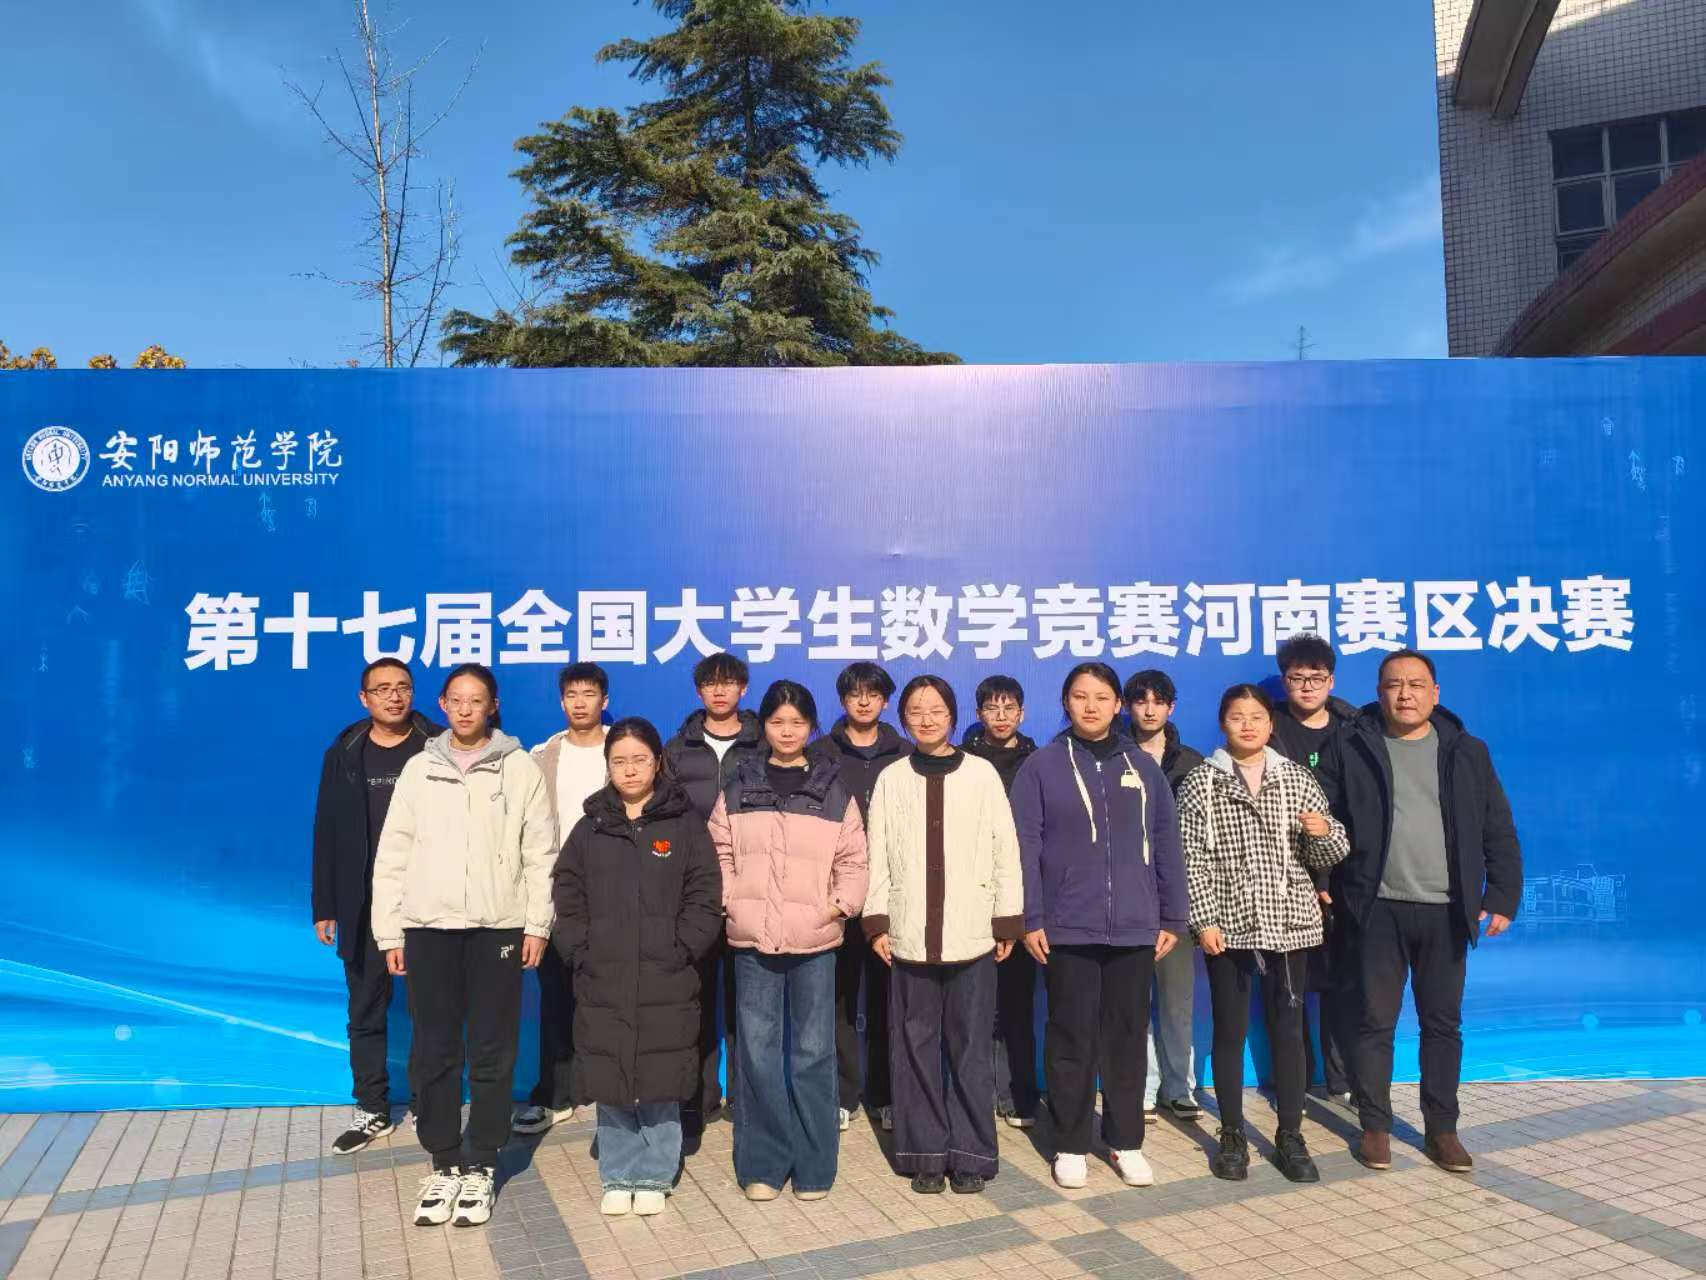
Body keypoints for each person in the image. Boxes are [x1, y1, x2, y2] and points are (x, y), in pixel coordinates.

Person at [1317, 650, 1522, 1175]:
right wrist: (1323, 882)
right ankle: (1375, 1127)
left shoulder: (1466, 751)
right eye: (1393, 685)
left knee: (1442, 1025)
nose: (1404, 694)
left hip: (1446, 911)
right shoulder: (1351, 744)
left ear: (1435, 693)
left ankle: (1442, 1129)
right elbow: (1323, 821)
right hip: (1375, 908)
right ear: (1379, 692)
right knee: (1373, 1022)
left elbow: (1497, 825)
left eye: (1415, 684)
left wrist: (1501, 895)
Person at [370, 663, 556, 1228]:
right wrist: (390, 931)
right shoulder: (419, 769)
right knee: (434, 1048)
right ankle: (444, 1160)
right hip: (429, 929)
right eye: (457, 700)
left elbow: (540, 853)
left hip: (497, 928)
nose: (466, 709)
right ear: (443, 705)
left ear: (492, 706)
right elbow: (393, 853)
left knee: (493, 1049)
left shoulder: (519, 768)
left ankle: (482, 1162)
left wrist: (536, 925)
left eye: (477, 700)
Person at [1011, 663, 1188, 1190]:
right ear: (1065, 703)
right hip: (1067, 927)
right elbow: (1025, 846)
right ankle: (1069, 1143)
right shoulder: (1042, 766)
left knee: (1127, 1037)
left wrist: (1172, 914)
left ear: (1117, 705)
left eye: (1102, 697)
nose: (1091, 706)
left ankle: (1125, 1141)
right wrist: (1031, 916)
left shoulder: (1142, 767)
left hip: (1135, 927)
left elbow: (1166, 842)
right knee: (1070, 1035)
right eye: (1080, 696)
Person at [1175, 684, 1349, 1183]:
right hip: (1228, 925)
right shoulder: (1202, 782)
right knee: (1229, 1033)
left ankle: (1290, 1134)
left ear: (1271, 725)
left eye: (1256, 717)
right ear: (1222, 724)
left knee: (1288, 1032)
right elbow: (1190, 859)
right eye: (1237, 717)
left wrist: (1325, 834)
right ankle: (1232, 1134)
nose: (1247, 725)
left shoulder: (1295, 777)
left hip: (1290, 922)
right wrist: (1204, 920)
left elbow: (1329, 851)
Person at [552, 718, 722, 1218]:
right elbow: (567, 890)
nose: (630, 770)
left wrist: (684, 947)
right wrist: (579, 949)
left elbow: (705, 892)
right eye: (619, 761)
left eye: (639, 760)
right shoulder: (591, 826)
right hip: (603, 975)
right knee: (611, 1072)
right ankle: (618, 1171)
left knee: (661, 1073)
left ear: (658, 762)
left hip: (667, 974)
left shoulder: (683, 824)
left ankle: (654, 1172)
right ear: (608, 766)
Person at [709, 680, 868, 1202]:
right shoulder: (739, 783)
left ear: (811, 727)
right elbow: (719, 850)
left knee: (813, 1051)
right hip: (752, 939)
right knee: (756, 1052)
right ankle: (763, 1163)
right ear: (765, 727)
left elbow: (854, 859)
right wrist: (733, 901)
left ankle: (814, 1165)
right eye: (777, 722)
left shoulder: (832, 787)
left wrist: (837, 906)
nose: (786, 731)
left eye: (797, 723)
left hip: (815, 940)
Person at [865, 676, 1023, 1195]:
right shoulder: (891, 778)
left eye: (936, 709)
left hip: (971, 932)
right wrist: (877, 920)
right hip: (910, 933)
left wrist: (1006, 918)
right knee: (914, 1045)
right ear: (903, 718)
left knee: (971, 1046)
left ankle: (972, 1152)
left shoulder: (981, 774)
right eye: (916, 710)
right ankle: (925, 1153)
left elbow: (1004, 848)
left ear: (953, 716)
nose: (927, 718)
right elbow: (877, 852)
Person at [312, 659, 443, 1155]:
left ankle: (431, 1103)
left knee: (433, 1010)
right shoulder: (345, 752)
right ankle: (372, 1109)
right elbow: (326, 828)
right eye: (382, 689)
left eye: (403, 687)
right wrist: (325, 903)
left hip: (429, 900)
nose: (394, 696)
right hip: (363, 901)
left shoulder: (438, 745)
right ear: (363, 698)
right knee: (365, 1009)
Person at [664, 651, 764, 1132]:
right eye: (710, 683)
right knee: (695, 999)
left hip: (753, 886)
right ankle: (697, 1098)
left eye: (728, 683)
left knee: (750, 1002)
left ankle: (747, 1097)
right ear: (698, 691)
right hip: (694, 891)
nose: (719, 691)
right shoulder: (677, 748)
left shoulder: (764, 743)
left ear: (743, 689)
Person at [514, 661, 610, 1137]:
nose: (579, 702)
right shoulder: (542, 755)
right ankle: (555, 1094)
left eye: (588, 694)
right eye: (571, 694)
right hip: (558, 892)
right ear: (561, 701)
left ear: (604, 701)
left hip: (613, 892)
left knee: (611, 995)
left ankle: (609, 1090)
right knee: (555, 996)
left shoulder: (623, 749)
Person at [1267, 633, 1360, 1106]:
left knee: (1347, 980)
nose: (1307, 686)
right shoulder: (1266, 725)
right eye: (1297, 678)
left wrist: (1331, 874)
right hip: (1286, 872)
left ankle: (1344, 1080)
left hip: (1348, 872)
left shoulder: (1355, 727)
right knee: (1290, 985)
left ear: (1331, 680)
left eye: (1316, 678)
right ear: (1284, 680)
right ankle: (1296, 1080)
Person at [821, 661, 911, 1132]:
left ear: (885, 701)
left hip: (892, 897)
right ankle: (841, 1092)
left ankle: (884, 1093)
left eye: (872, 693)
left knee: (887, 999)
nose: (863, 701)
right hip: (835, 895)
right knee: (837, 998)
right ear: (842, 700)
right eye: (854, 693)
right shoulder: (821, 754)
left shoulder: (905, 754)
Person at [1123, 669, 1205, 1124]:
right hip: (1128, 899)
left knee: (1177, 999)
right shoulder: (1112, 756)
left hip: (1177, 898)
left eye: (1158, 701)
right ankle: (1142, 1087)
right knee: (1133, 1000)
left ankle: (1180, 1087)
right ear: (1128, 706)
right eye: (1141, 701)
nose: (1149, 709)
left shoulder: (1192, 763)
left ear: (1171, 708)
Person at [960, 675, 1040, 1128]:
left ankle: (1018, 1094)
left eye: (1010, 708)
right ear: (979, 714)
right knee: (973, 1006)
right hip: (972, 895)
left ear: (1023, 713)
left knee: (1016, 1002)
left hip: (1021, 896)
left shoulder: (1038, 761)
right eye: (992, 708)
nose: (1001, 716)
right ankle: (974, 1094)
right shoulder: (964, 762)